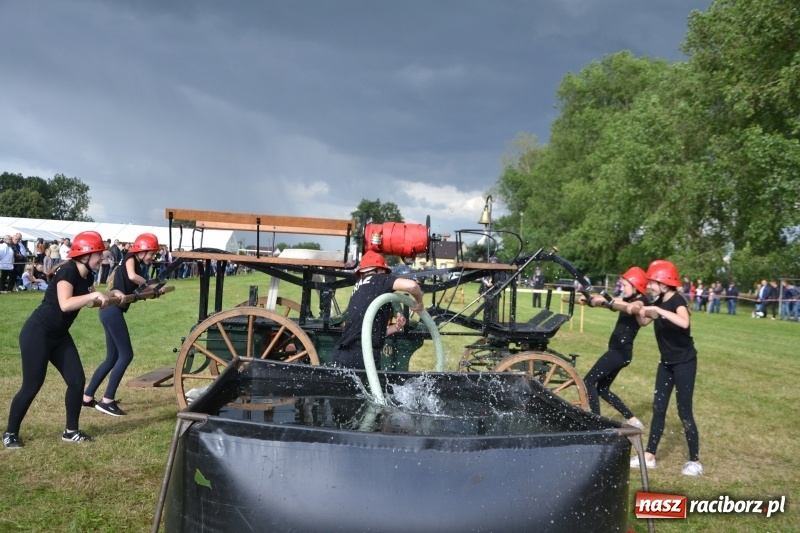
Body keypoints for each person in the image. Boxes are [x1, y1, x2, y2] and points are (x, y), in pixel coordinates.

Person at [3, 231, 122, 449]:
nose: (102, 258)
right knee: (32, 385)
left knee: (77, 381)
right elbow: (66, 304)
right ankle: (10, 433)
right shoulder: (68, 271)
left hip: (59, 335)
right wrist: (93, 296)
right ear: (85, 254)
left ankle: (71, 431)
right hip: (38, 333)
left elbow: (93, 296)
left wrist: (113, 293)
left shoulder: (87, 275)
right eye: (99, 254)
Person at [631, 259, 702, 476]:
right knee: (658, 408)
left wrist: (657, 309)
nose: (649, 286)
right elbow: (644, 322)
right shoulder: (660, 300)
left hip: (684, 362)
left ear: (664, 283)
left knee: (684, 411)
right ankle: (649, 456)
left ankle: (695, 461)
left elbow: (684, 322)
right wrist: (637, 310)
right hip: (666, 362)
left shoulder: (677, 300)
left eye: (652, 282)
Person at [84, 233, 161, 416]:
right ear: (142, 251)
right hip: (112, 310)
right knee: (126, 355)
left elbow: (135, 288)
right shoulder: (130, 258)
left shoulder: (136, 262)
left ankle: (86, 397)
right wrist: (154, 286)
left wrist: (152, 292)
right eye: (151, 253)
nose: (152, 257)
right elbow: (133, 277)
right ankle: (107, 401)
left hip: (109, 311)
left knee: (111, 358)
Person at [331, 251, 425, 370]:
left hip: (342, 354)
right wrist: (419, 302)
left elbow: (366, 332)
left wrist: (396, 327)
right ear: (380, 270)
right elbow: (412, 286)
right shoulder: (378, 279)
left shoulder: (359, 286)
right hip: (363, 357)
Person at [581, 266, 649, 428]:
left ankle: (596, 422)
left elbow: (636, 305)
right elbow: (614, 300)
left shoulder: (642, 301)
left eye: (625, 285)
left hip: (620, 352)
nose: (622, 288)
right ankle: (633, 420)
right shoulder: (626, 300)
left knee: (588, 382)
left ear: (636, 286)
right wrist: (592, 299)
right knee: (602, 390)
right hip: (619, 352)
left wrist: (613, 302)